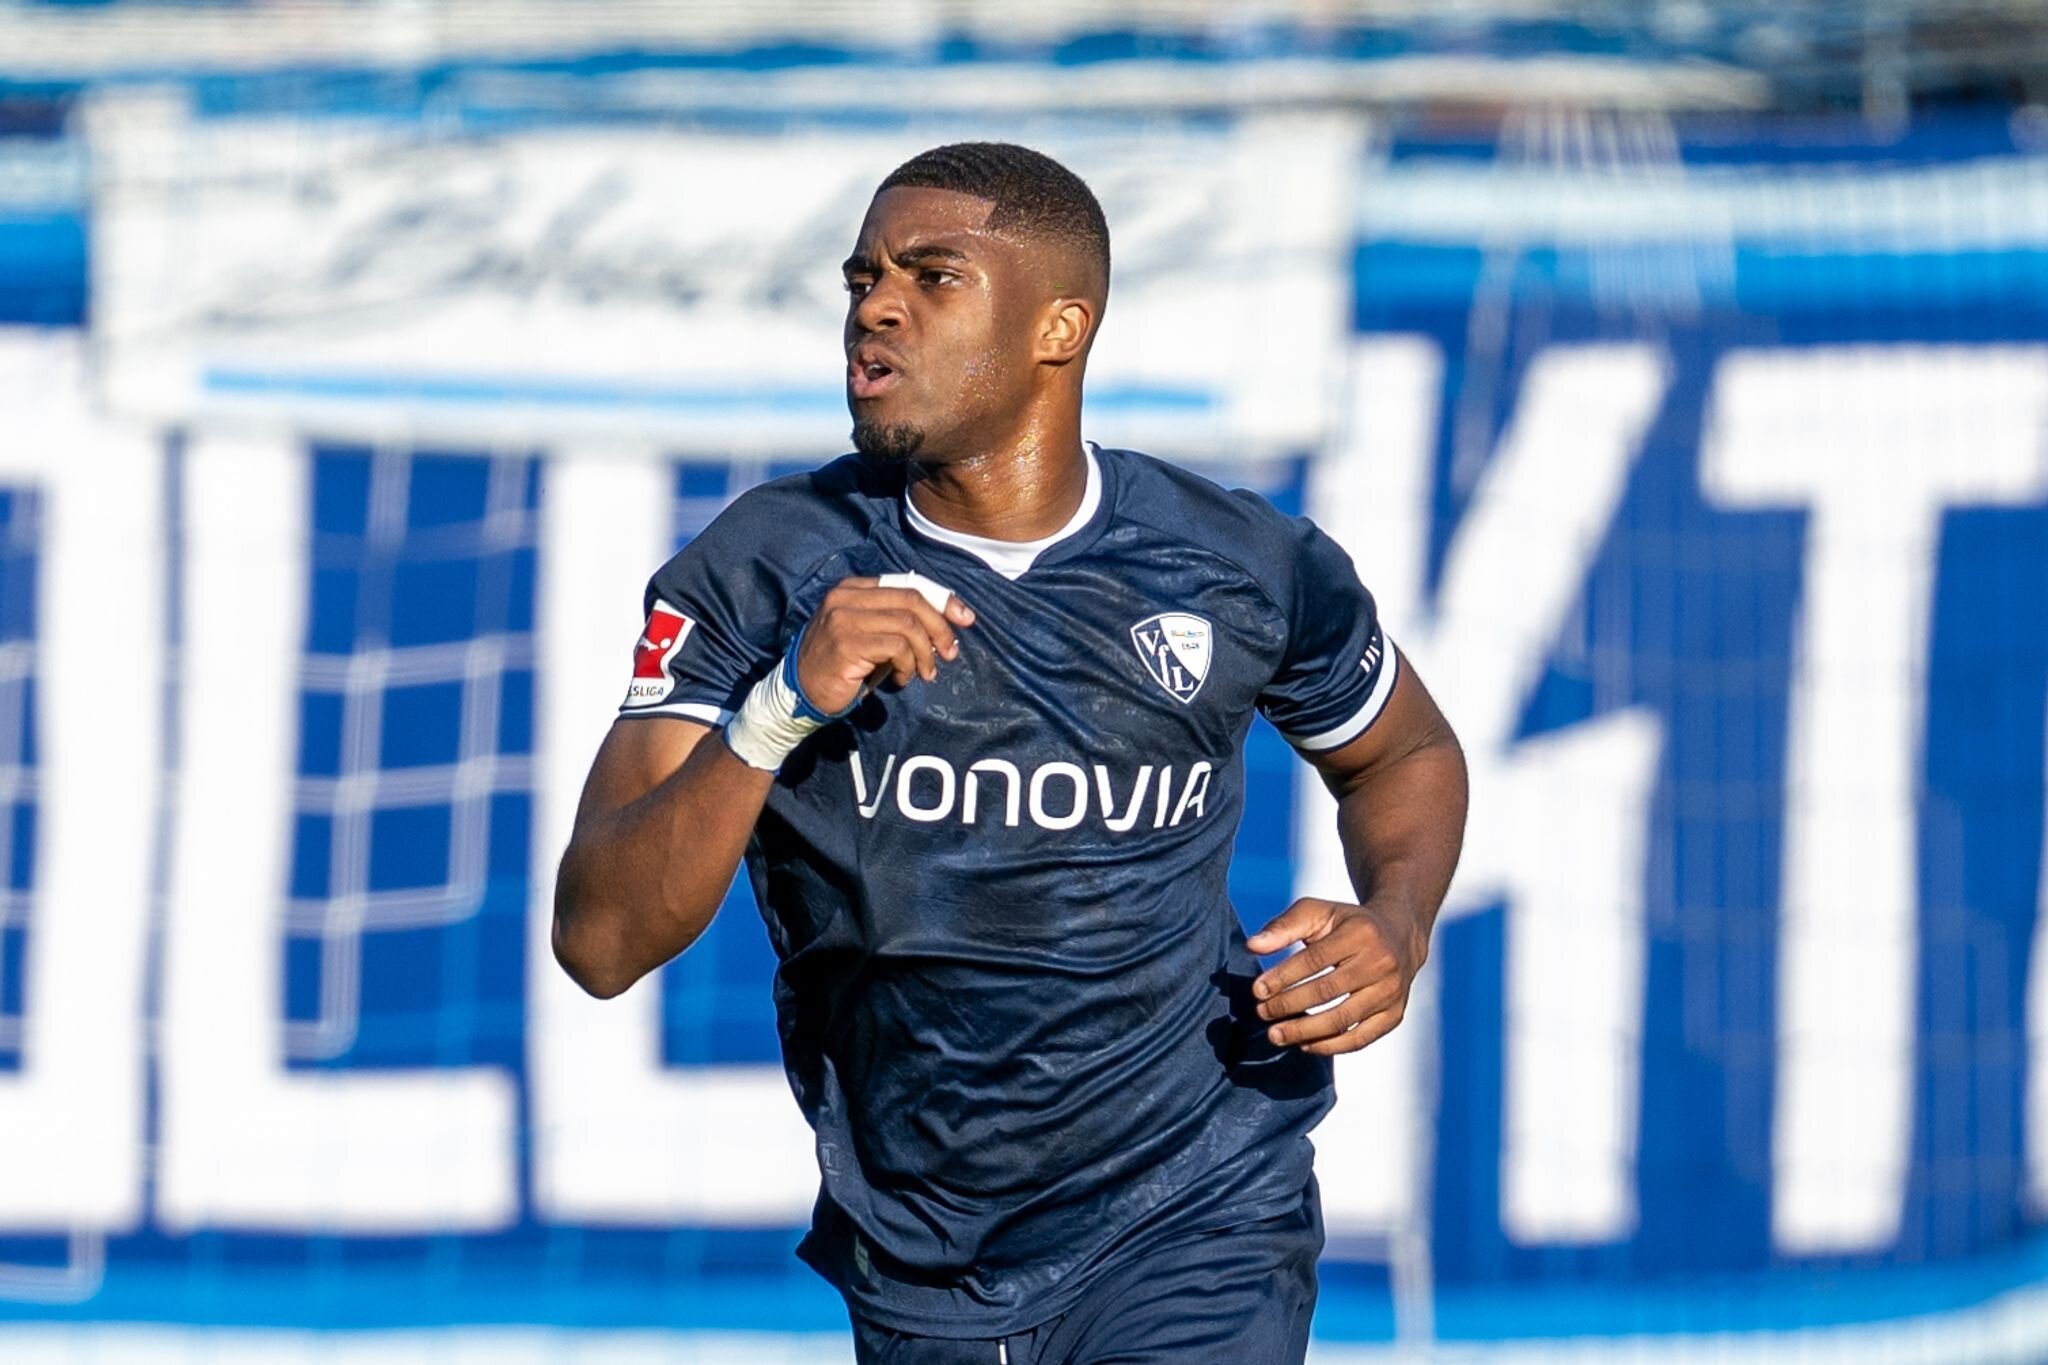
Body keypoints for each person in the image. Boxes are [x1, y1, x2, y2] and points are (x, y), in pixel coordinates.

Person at [552, 142, 1468, 1365]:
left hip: (1197, 1206)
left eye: (932, 277)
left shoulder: (1238, 564)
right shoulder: (763, 568)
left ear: (1059, 328)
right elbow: (600, 940)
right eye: (863, 278)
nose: (876, 308)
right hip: (922, 1252)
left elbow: (1404, 753)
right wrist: (775, 711)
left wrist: (1397, 918)